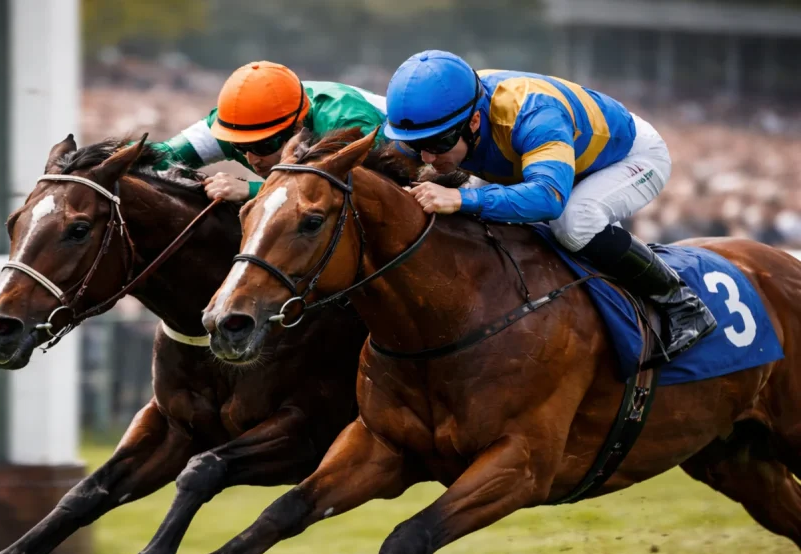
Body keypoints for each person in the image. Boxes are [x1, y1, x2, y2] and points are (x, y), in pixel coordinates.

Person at [383, 50, 716, 361]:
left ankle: (682, 303)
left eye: (437, 144)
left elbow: (548, 198)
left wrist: (461, 198)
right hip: (534, 160)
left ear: (472, 123)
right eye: (416, 144)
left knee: (574, 223)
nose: (425, 156)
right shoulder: (446, 113)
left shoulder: (532, 112)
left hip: (625, 157)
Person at [153, 61, 390, 202]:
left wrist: (251, 190)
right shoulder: (234, 122)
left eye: (263, 146)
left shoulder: (345, 121)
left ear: (298, 128)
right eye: (240, 147)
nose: (252, 159)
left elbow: (354, 194)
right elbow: (158, 157)